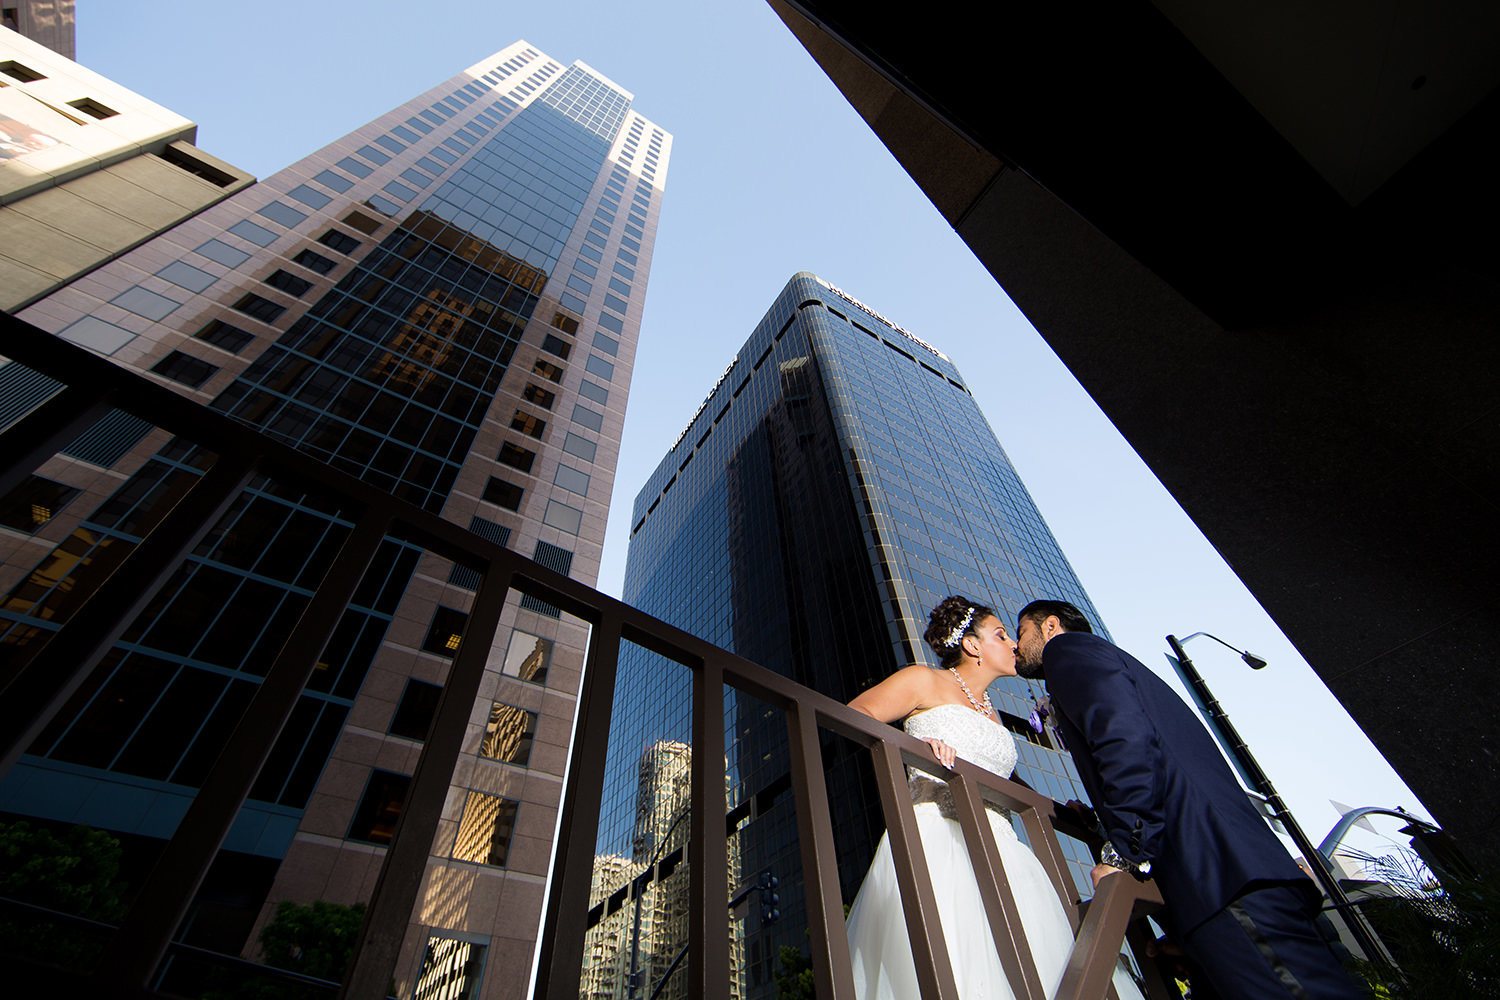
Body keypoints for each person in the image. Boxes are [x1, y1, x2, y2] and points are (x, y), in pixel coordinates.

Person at [1013, 599, 1366, 1000]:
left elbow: (1125, 739)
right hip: (1232, 883)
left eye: (1021, 632)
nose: (1015, 646)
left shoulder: (1068, 651)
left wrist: (1123, 853)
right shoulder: (1111, 662)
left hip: (1223, 884)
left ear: (1051, 627)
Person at [844, 595, 1145, 1000]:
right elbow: (856, 711)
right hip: (937, 836)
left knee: (1029, 963)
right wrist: (915, 745)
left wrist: (1059, 807)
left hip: (1001, 844)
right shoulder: (923, 679)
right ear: (972, 646)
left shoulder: (993, 712)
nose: (1015, 644)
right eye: (1002, 635)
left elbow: (1004, 777)